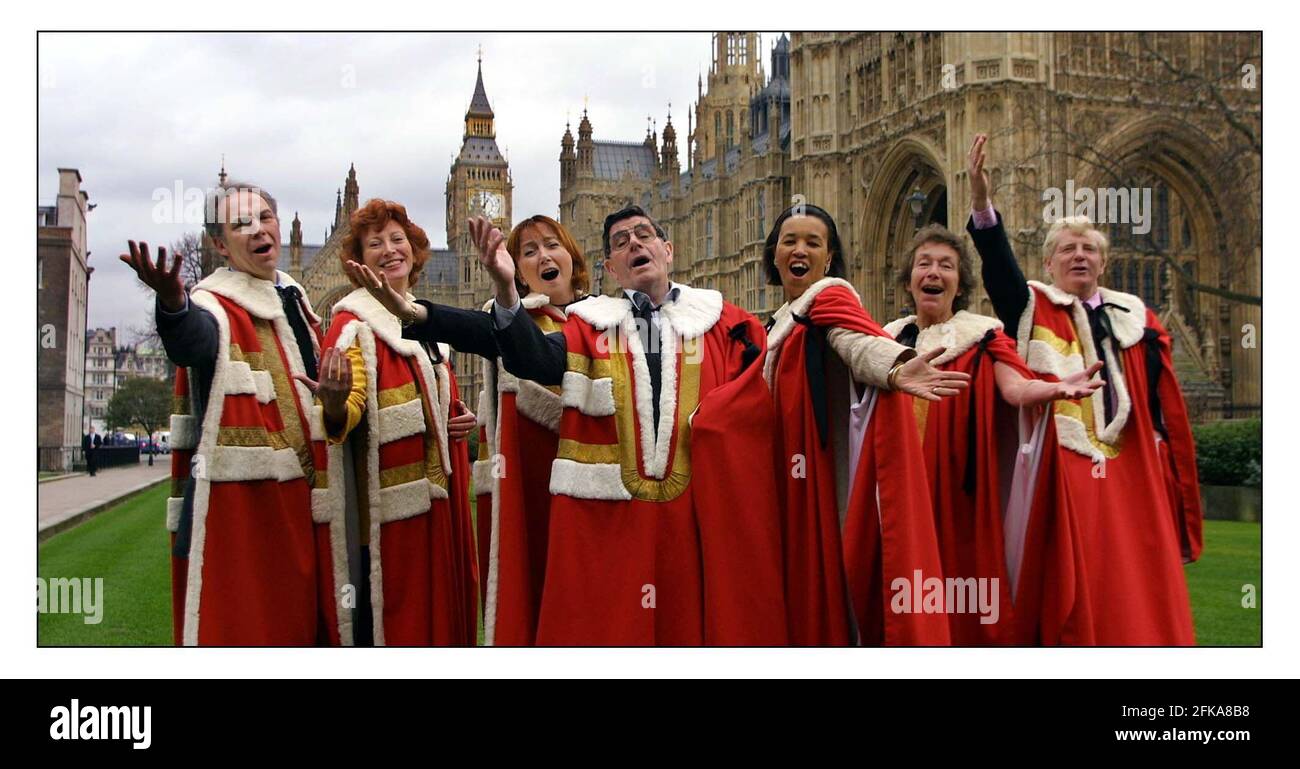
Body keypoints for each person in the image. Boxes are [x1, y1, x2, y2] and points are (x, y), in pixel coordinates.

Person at [470, 205, 787, 645]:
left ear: (668, 249)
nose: (634, 243)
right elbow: (533, 358)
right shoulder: (592, 327)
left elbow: (766, 395)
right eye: (621, 242)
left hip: (697, 515)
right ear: (610, 269)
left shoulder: (724, 323)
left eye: (643, 235)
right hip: (617, 519)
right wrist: (505, 289)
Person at [965, 133, 1203, 644]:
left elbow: (1166, 412)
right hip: (1063, 468)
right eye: (1068, 249)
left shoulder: (1138, 320)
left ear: (1103, 263)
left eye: (1089, 250)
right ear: (1049, 263)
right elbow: (1000, 271)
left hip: (1134, 466)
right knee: (1069, 589)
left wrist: (1167, 469)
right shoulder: (1032, 306)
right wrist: (983, 205)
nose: (1080, 257)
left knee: (1137, 582)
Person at [120, 179, 342, 646]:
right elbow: (193, 342)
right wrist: (172, 304)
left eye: (265, 218)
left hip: (307, 507)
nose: (258, 229)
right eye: (241, 223)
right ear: (219, 245)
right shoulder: (213, 305)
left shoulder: (294, 301)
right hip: (248, 512)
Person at [353, 213, 591, 646]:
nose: (543, 256)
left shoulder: (607, 322)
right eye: (529, 252)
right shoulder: (512, 321)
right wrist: (413, 311)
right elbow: (490, 333)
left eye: (552, 244)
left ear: (574, 256)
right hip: (530, 496)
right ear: (518, 272)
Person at [884, 223, 1103, 644]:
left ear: (960, 282)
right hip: (896, 490)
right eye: (924, 263)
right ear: (909, 279)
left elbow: (1016, 386)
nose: (933, 271)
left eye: (946, 265)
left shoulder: (982, 336)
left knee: (957, 600)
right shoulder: (888, 340)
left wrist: (1054, 387)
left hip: (956, 496)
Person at [761, 204, 968, 645]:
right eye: (790, 240)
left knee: (836, 604)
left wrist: (896, 365)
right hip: (787, 487)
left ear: (830, 257)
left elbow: (856, 341)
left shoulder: (830, 300)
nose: (800, 249)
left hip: (825, 489)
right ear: (774, 254)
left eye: (813, 242)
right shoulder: (776, 324)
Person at [304, 199, 479, 646]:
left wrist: (453, 418)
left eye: (397, 240)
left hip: (436, 510)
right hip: (387, 523)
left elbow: (429, 398)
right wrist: (337, 403)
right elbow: (347, 408)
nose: (389, 250)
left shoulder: (425, 320)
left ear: (415, 250)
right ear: (360, 261)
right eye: (375, 244)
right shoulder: (354, 323)